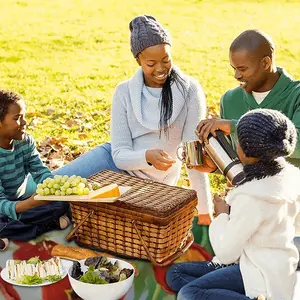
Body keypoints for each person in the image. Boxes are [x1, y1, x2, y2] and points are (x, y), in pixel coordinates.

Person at [50, 15, 212, 224]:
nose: (161, 69)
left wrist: (205, 212)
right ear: (138, 60)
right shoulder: (124, 91)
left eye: (166, 59)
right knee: (49, 188)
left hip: (149, 185)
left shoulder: (190, 91)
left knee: (80, 211)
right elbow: (119, 155)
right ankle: (11, 214)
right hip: (114, 163)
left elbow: (193, 157)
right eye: (151, 63)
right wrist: (146, 156)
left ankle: (61, 217)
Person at [166, 108, 300, 300]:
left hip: (259, 275)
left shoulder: (252, 197)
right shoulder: (291, 178)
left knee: (189, 293)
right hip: (271, 265)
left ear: (244, 151)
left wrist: (222, 215)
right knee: (175, 274)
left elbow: (225, 252)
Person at [195, 29, 300, 172]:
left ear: (266, 63)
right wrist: (215, 167)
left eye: (242, 69)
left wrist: (236, 127)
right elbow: (238, 162)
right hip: (249, 190)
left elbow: (297, 143)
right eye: (234, 68)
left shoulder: (296, 95)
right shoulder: (230, 99)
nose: (236, 75)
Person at [0, 90, 70, 251]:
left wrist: (54, 189)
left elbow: (40, 171)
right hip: (4, 208)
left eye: (23, 116)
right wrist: (29, 204)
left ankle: (11, 234)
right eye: (17, 118)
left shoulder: (25, 141)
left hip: (22, 201)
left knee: (63, 203)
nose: (24, 122)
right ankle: (45, 226)